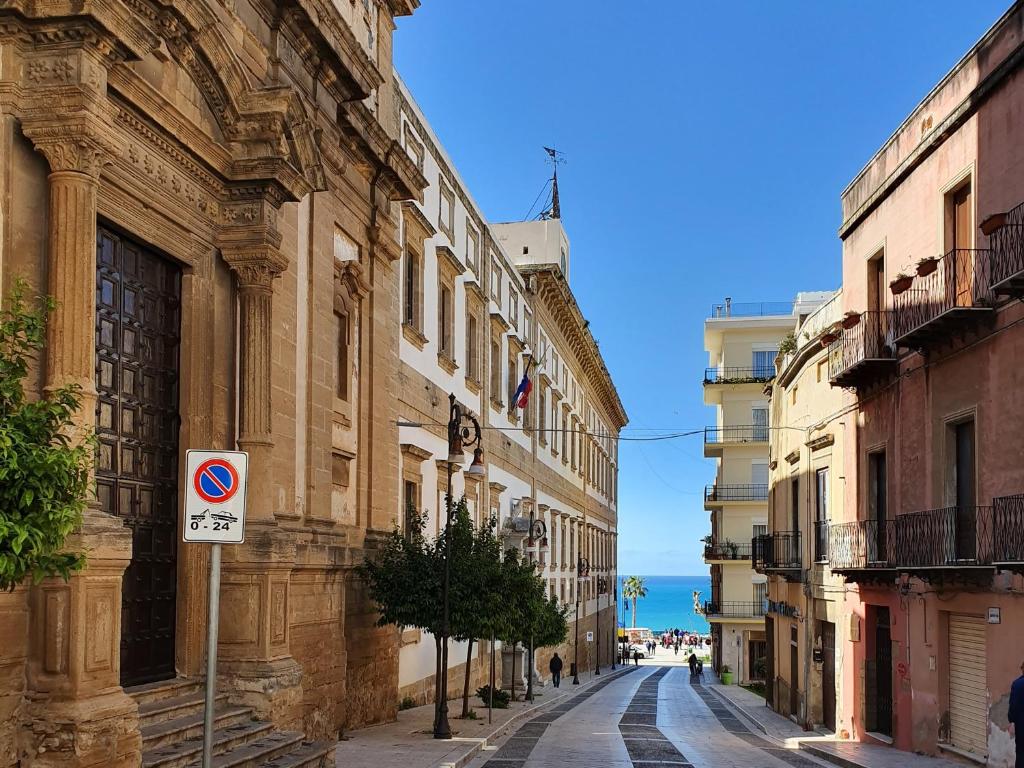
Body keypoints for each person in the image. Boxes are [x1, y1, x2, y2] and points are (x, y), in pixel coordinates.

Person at [1010, 659, 1024, 768]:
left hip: (1021, 726)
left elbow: (1013, 706)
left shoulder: (1017, 684)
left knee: (1020, 753)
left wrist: (1012, 720)